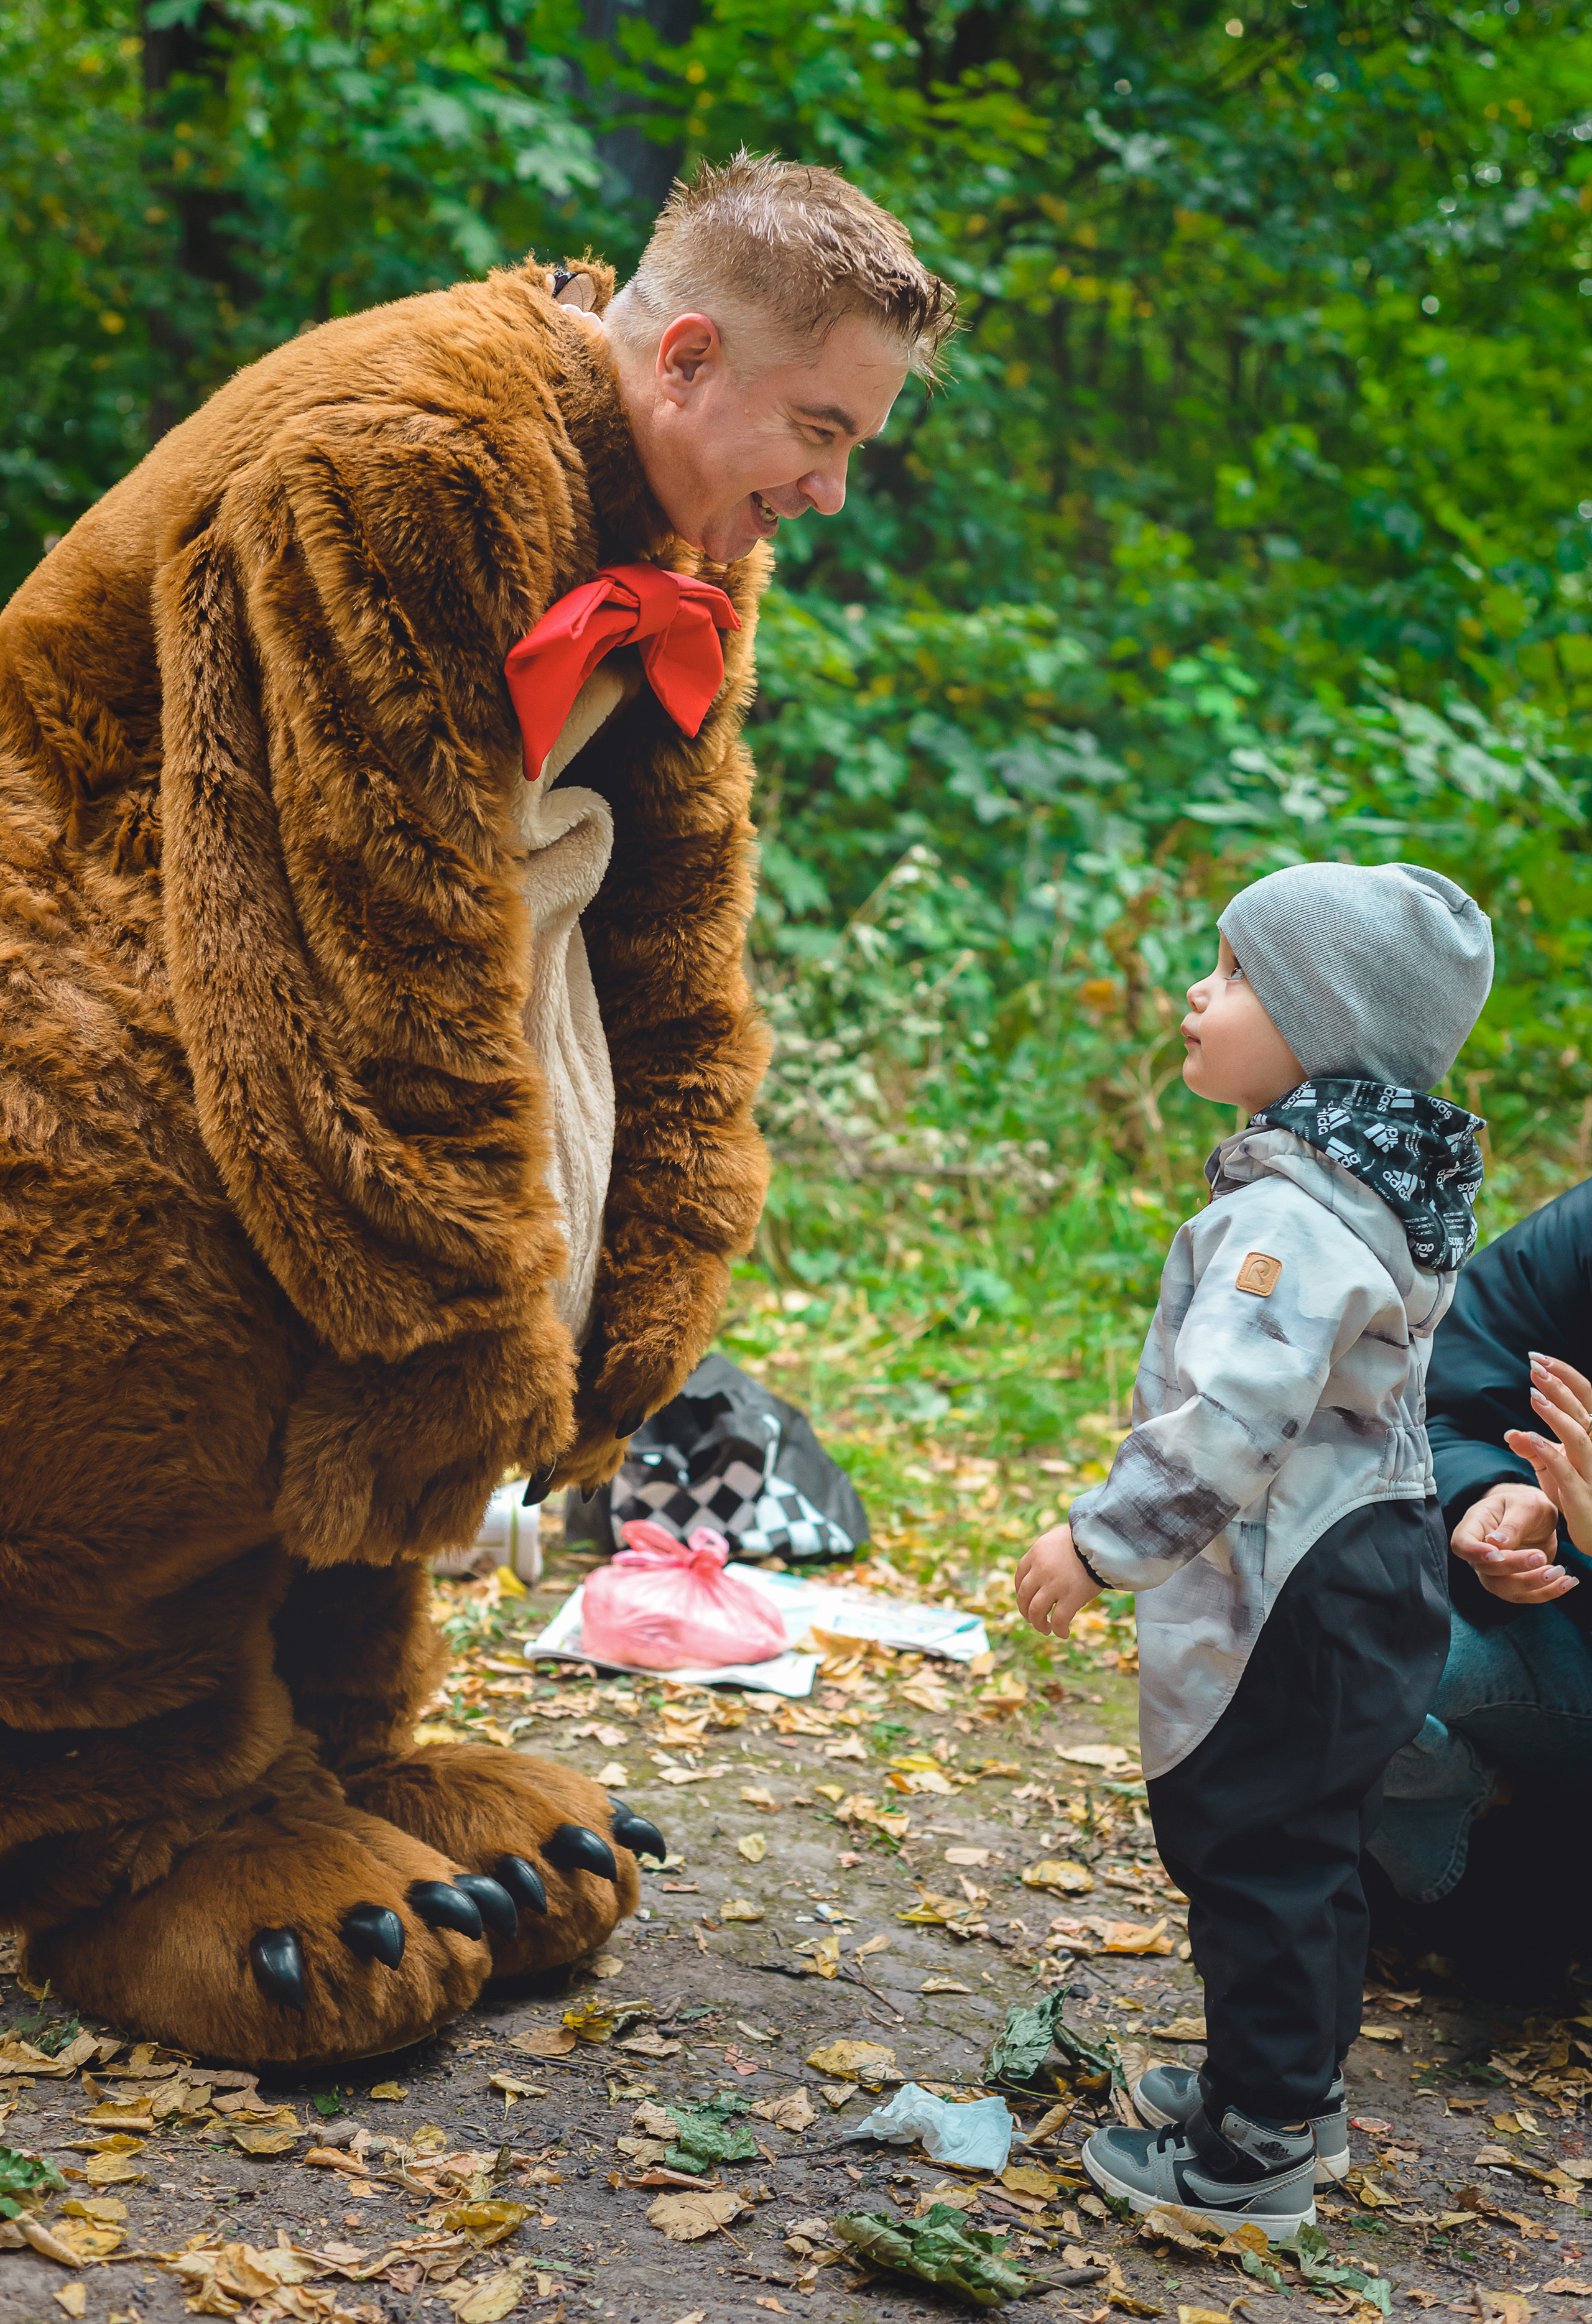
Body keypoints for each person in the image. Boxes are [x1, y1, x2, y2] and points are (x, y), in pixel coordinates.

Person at [0, 153, 955, 2069]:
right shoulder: (408, 454)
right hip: (88, 896)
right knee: (151, 1239)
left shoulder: (689, 519)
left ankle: (345, 1751)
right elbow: (350, 919)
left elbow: (678, 917)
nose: (832, 486)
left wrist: (650, 1257)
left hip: (323, 929)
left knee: (460, 1272)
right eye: (820, 427)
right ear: (686, 355)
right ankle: (122, 1820)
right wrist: (456, 1312)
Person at [1014, 860, 1494, 2236]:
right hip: (1371, 1560)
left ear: (1319, 1020)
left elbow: (1227, 1422)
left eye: (1229, 975)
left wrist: (1097, 1544)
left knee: (1249, 1849)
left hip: (1302, 1586)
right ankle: (1287, 2092)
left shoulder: (1286, 1219)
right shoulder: (1370, 1182)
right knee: (1309, 1842)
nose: (1193, 993)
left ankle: (1253, 2157)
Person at [1365, 1177, 1592, 1909]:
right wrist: (1488, 1494)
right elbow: (1424, 1398)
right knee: (1332, 1641)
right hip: (1555, 1635)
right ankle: (1477, 1842)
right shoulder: (1578, 1238)